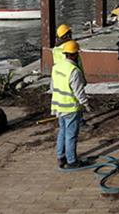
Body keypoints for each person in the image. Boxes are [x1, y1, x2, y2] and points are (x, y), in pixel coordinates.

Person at [51, 40, 91, 169]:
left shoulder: (56, 67)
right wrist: (87, 105)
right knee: (71, 135)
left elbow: (53, 87)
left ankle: (60, 157)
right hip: (71, 108)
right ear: (75, 55)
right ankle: (72, 161)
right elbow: (79, 92)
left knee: (62, 131)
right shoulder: (74, 71)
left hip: (58, 106)